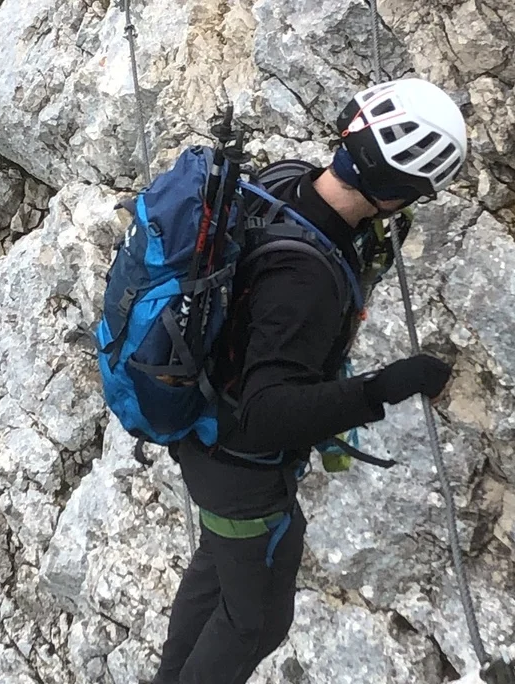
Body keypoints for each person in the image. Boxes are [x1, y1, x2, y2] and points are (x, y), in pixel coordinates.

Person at [152, 78, 470, 684]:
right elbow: (268, 413)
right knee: (256, 624)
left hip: (200, 431)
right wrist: (384, 387)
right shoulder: (305, 280)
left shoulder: (283, 184)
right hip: (240, 466)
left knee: (220, 568)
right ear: (400, 193)